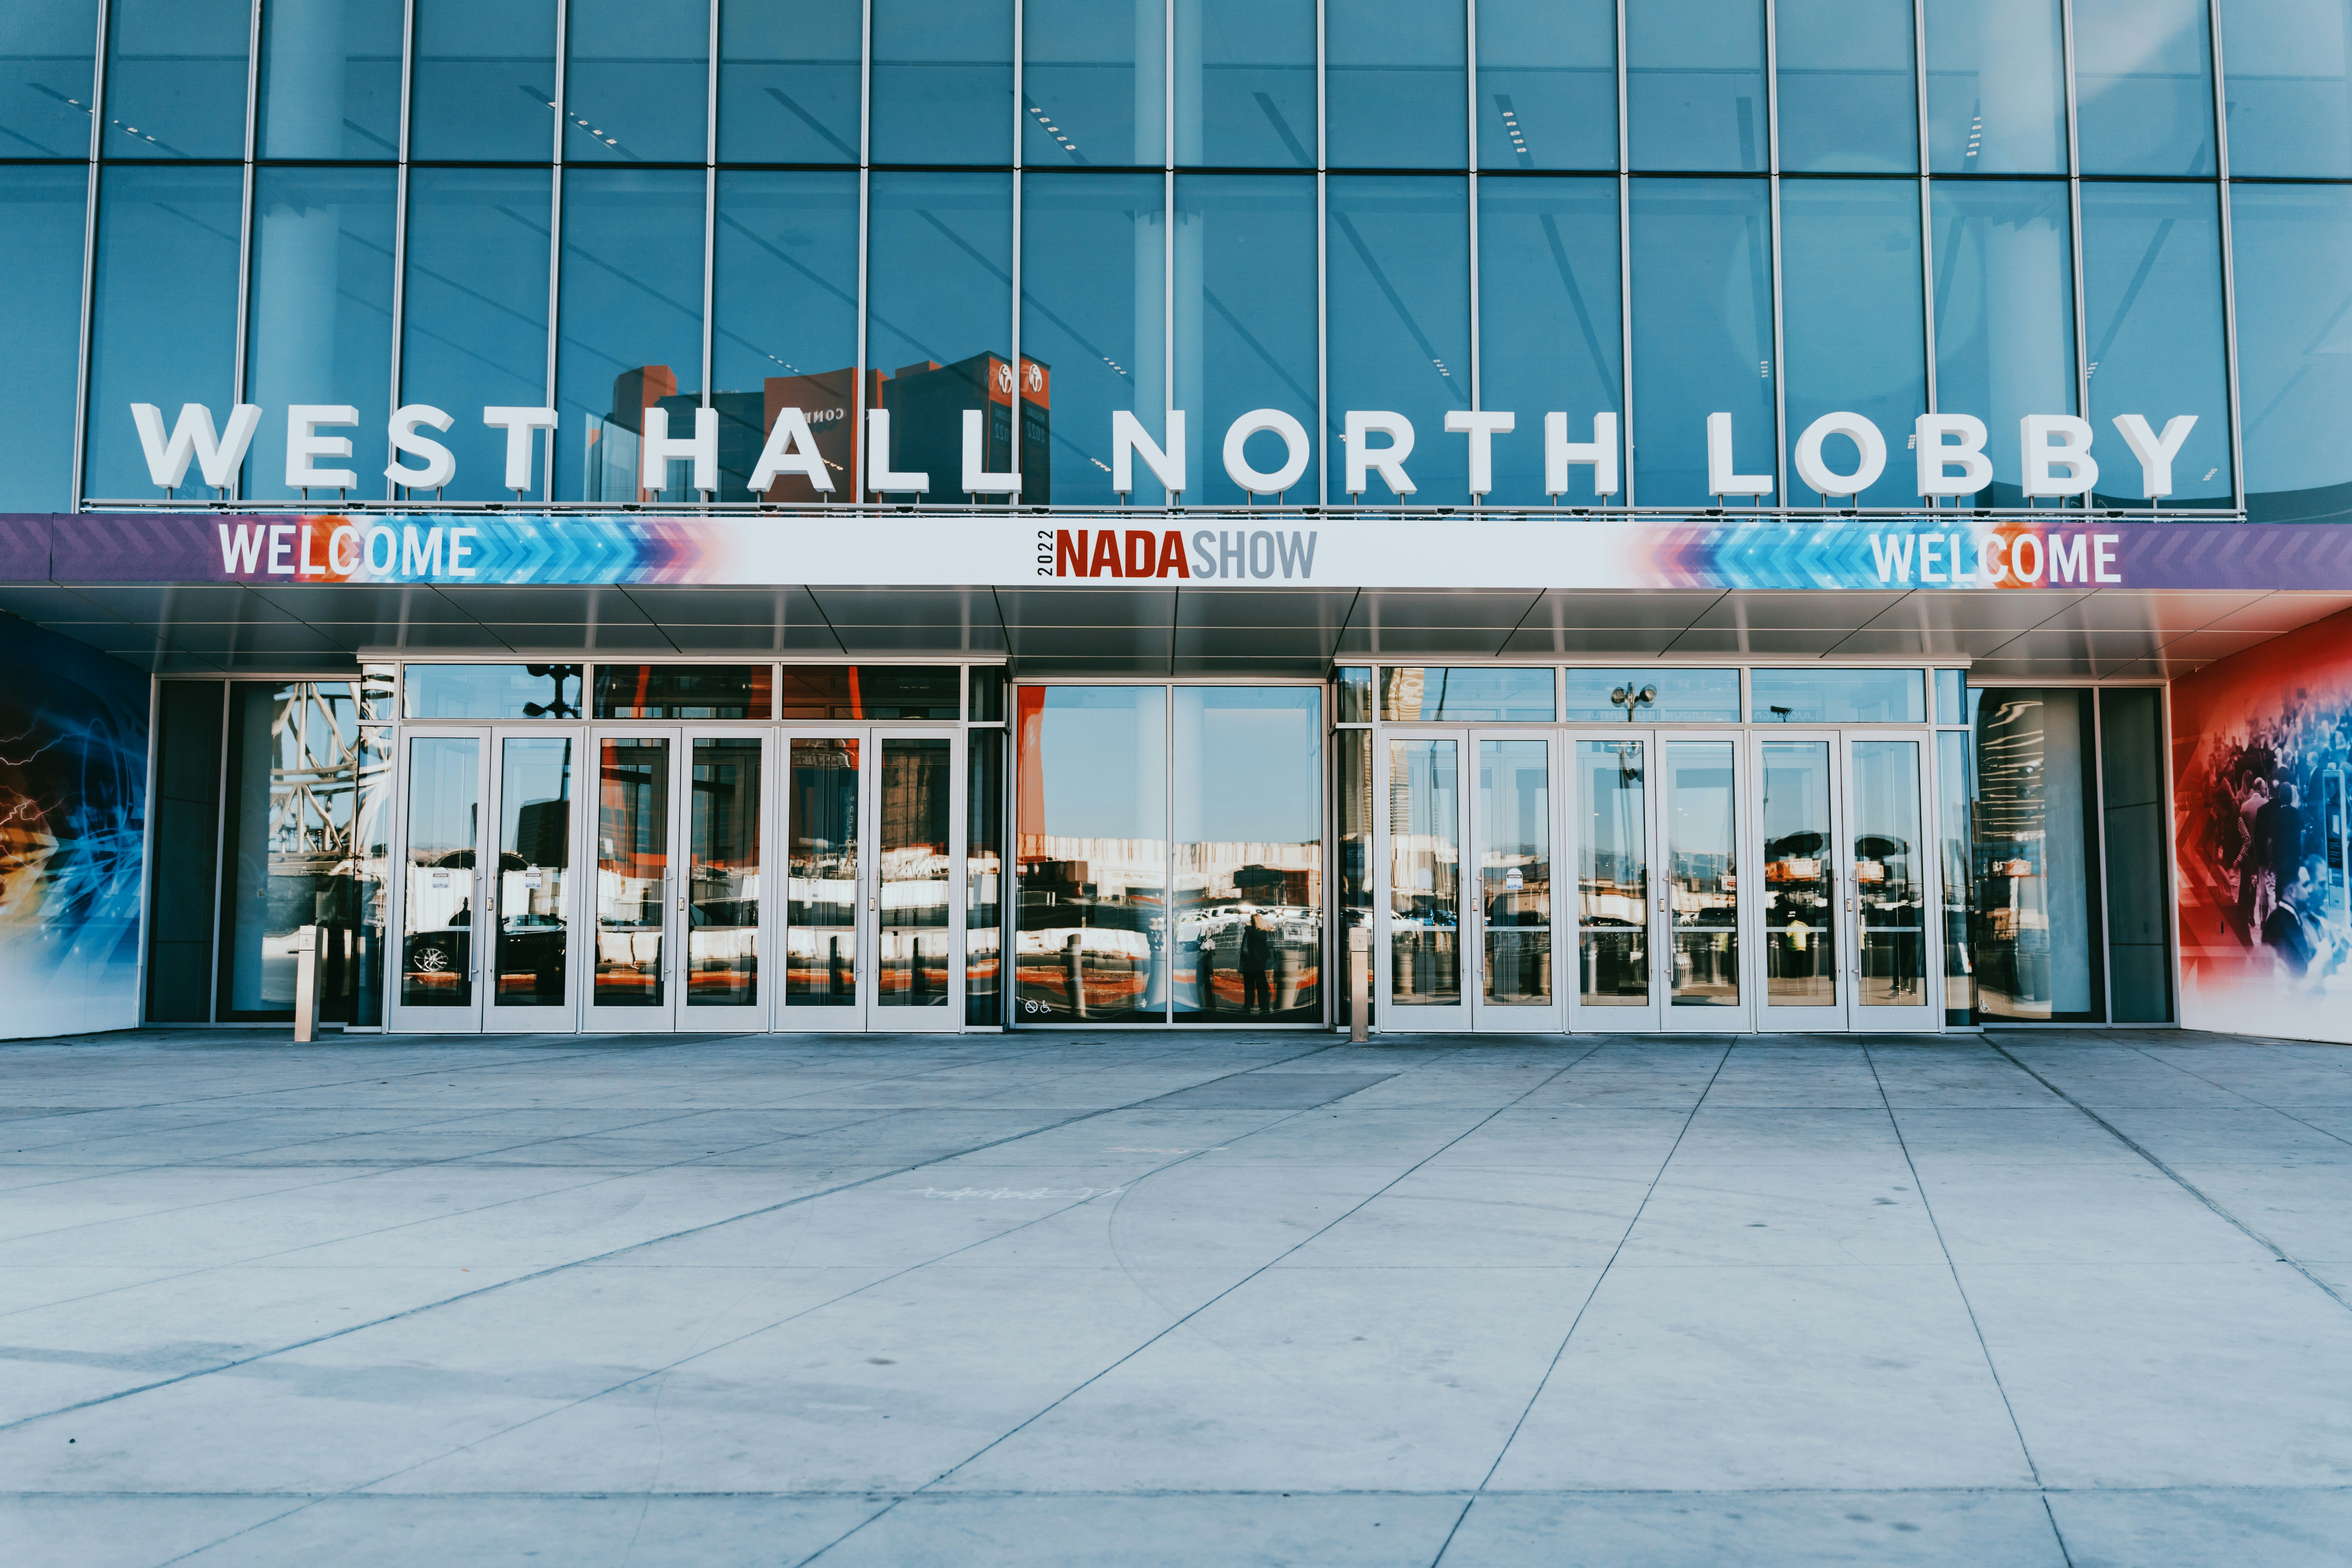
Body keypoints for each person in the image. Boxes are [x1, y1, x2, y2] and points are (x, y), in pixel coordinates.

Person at [1239, 908, 1274, 1017]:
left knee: (1261, 983)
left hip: (1258, 960)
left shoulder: (1260, 932)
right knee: (1249, 984)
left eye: (1252, 921)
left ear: (1256, 922)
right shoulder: (1251, 931)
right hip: (1248, 960)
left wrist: (1248, 927)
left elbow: (1254, 937)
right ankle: (1247, 1007)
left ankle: (1265, 1007)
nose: (1250, 923)